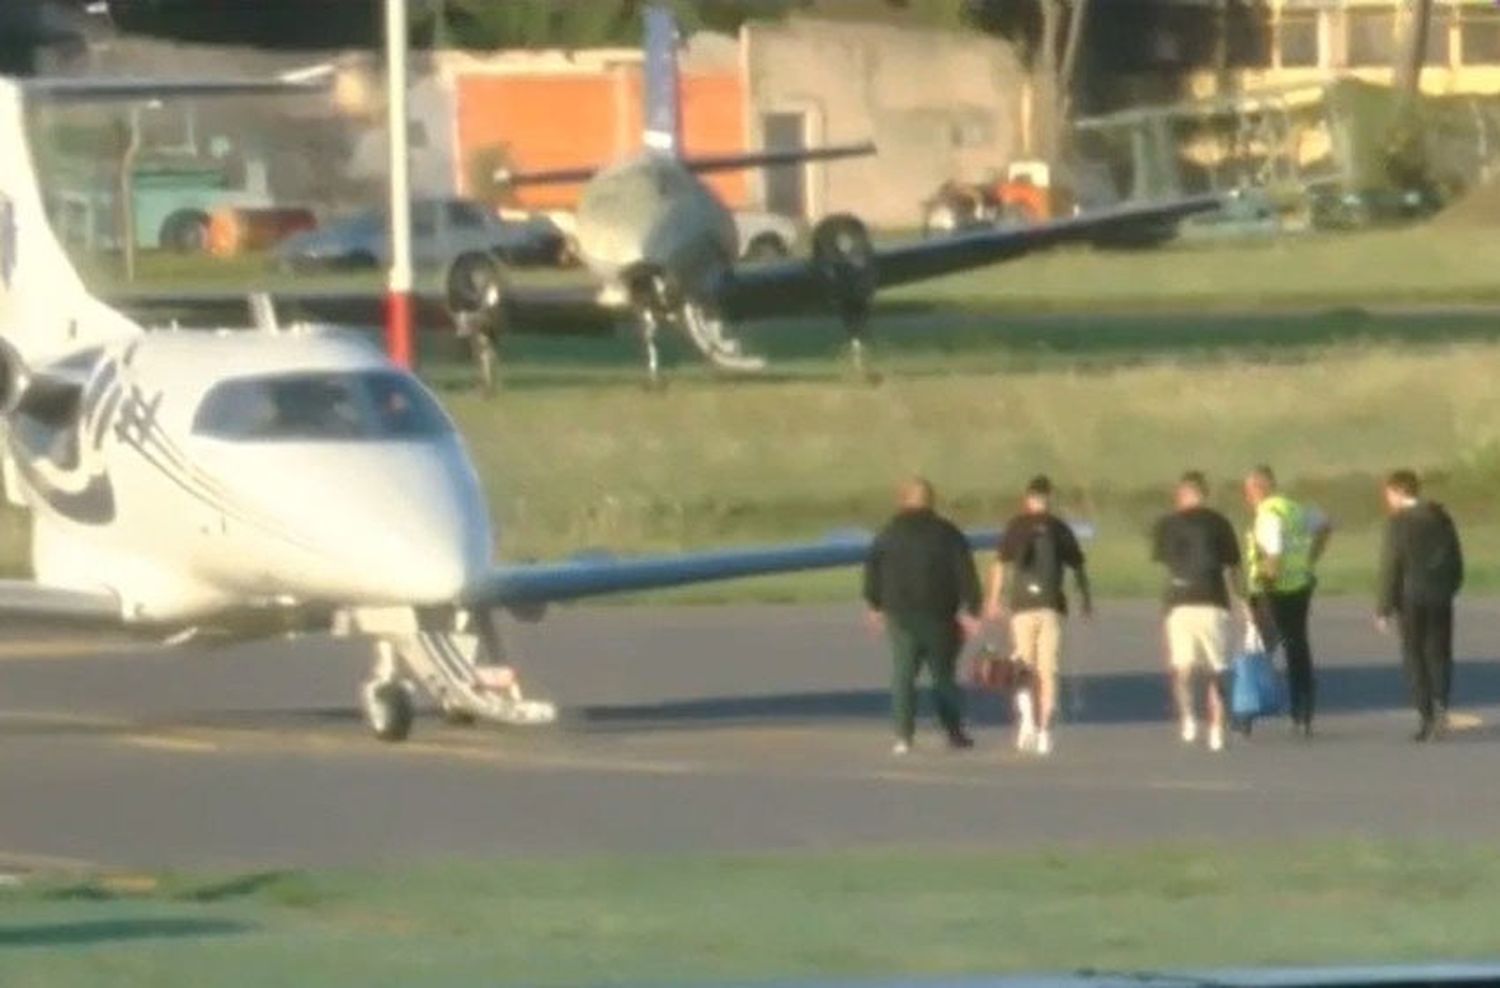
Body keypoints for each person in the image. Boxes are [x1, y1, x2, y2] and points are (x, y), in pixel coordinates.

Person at [863, 476, 982, 755]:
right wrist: (972, 609)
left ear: (903, 500)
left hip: (901, 616)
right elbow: (965, 573)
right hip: (940, 615)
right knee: (943, 675)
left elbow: (873, 572)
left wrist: (874, 605)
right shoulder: (948, 533)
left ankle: (903, 736)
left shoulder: (888, 534)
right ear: (932, 500)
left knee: (903, 675)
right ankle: (954, 732)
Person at [984, 474, 1091, 756]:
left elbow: (1001, 565)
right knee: (1048, 671)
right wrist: (1085, 600)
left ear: (1027, 498)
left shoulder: (1016, 526)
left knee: (1022, 667)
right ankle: (1045, 731)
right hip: (1050, 607)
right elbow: (1078, 566)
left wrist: (993, 599)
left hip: (1022, 607)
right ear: (1049, 498)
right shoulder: (1059, 528)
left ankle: (1028, 721)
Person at [1151, 471, 1245, 753]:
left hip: (1179, 602)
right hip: (1213, 601)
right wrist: (1243, 601)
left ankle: (1188, 717)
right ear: (1204, 495)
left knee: (1182, 667)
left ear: (1183, 495)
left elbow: (1166, 563)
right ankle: (1216, 729)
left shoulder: (1168, 524)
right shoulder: (1220, 523)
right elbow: (1233, 568)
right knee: (1217, 669)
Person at [1241, 465, 1332, 738]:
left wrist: (1267, 584)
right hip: (1300, 586)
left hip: (1273, 589)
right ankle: (1303, 713)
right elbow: (1324, 525)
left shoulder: (1269, 514)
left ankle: (1248, 711)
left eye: (1248, 491)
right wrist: (1310, 560)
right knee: (1297, 649)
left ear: (1257, 489)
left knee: (1257, 649)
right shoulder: (1294, 508)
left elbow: (1273, 553)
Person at [1375, 469, 1464, 742]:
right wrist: (1450, 587)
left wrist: (1383, 607)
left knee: (1414, 654)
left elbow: (1391, 565)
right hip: (1440, 595)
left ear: (1400, 492)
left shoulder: (1399, 523)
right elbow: (1456, 558)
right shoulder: (1441, 517)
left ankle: (1426, 714)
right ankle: (1440, 702)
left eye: (1389, 494)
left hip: (1411, 597)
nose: (1387, 499)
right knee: (1439, 651)